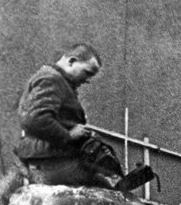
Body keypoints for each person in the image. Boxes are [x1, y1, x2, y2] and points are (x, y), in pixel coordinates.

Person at [14, 42, 123, 189]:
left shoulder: (58, 81)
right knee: (104, 190)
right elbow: (35, 118)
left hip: (52, 158)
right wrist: (68, 135)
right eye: (87, 72)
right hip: (49, 161)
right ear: (71, 61)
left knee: (105, 183)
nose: (87, 80)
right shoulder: (51, 79)